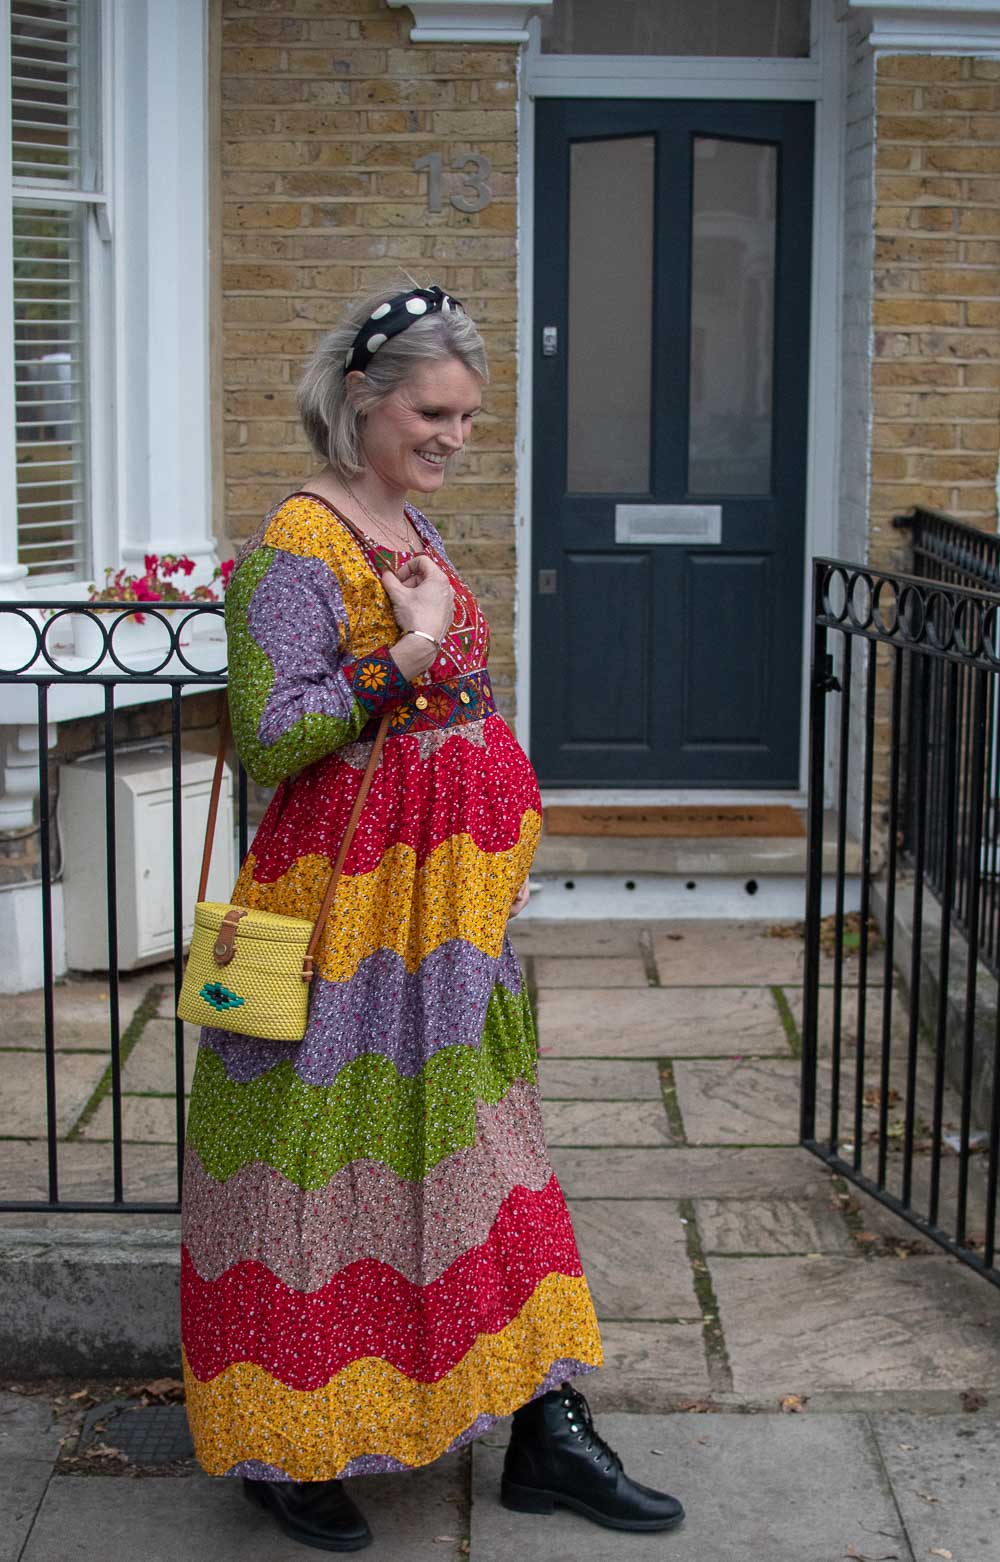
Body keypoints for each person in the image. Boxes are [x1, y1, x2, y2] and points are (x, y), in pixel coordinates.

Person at [180, 282, 685, 1551]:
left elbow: (466, 699)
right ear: (363, 399)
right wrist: (396, 660)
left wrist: (497, 823)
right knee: (312, 1173)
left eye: (469, 415)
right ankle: (287, 1446)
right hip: (343, 919)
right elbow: (267, 730)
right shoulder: (298, 543)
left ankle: (541, 1422)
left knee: (478, 1154)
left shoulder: (409, 521)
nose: (457, 435)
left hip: (446, 922)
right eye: (434, 410)